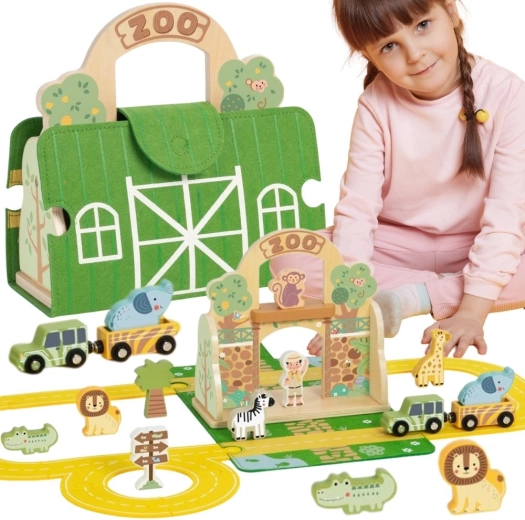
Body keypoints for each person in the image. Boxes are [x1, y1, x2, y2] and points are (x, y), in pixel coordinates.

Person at [272, 0, 525, 358]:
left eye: (422, 25)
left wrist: (472, 312)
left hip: (478, 241)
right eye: (389, 46)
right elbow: (357, 211)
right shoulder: (375, 104)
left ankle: (415, 297)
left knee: (508, 252)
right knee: (287, 260)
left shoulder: (509, 93)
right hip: (395, 245)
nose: (415, 54)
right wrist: (351, 307)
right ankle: (441, 290)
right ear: (370, 57)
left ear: (451, 12)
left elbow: (506, 214)